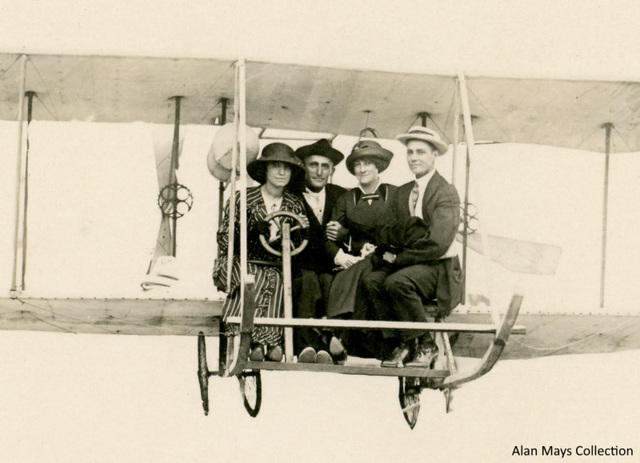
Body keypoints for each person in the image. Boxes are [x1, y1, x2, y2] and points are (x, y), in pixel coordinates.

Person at [360, 126, 463, 368]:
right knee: (372, 281)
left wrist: (398, 256)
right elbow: (385, 230)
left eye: (421, 152)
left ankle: (427, 343)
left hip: (438, 268)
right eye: (410, 152)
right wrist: (399, 240)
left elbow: (437, 244)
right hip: (410, 262)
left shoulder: (445, 193)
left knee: (397, 282)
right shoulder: (403, 192)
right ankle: (402, 342)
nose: (414, 158)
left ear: (434, 155)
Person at [212, 142, 308, 362]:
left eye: (287, 167)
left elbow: (297, 245)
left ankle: (269, 343)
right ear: (265, 170)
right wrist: (249, 233)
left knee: (277, 280)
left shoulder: (295, 204)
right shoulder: (242, 198)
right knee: (253, 277)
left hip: (275, 264)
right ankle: (250, 339)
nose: (282, 172)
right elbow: (224, 237)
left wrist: (297, 235)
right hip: (240, 260)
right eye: (276, 166)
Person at [324, 139, 396, 361]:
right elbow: (331, 236)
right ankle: (341, 332)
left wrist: (373, 244)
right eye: (357, 165)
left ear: (379, 166)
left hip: (389, 257)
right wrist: (345, 251)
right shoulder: (347, 199)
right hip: (359, 260)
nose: (362, 169)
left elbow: (405, 230)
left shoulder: (396, 195)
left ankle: (336, 327)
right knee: (355, 269)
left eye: (368, 163)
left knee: (367, 269)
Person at [291, 139, 347, 364]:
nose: (319, 171)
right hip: (300, 265)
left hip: (329, 267)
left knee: (328, 281)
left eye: (325, 166)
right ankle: (307, 345)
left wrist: (345, 233)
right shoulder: (291, 194)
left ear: (332, 170)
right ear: (303, 166)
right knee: (309, 281)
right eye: (313, 165)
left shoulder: (341, 195)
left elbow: (356, 227)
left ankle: (327, 344)